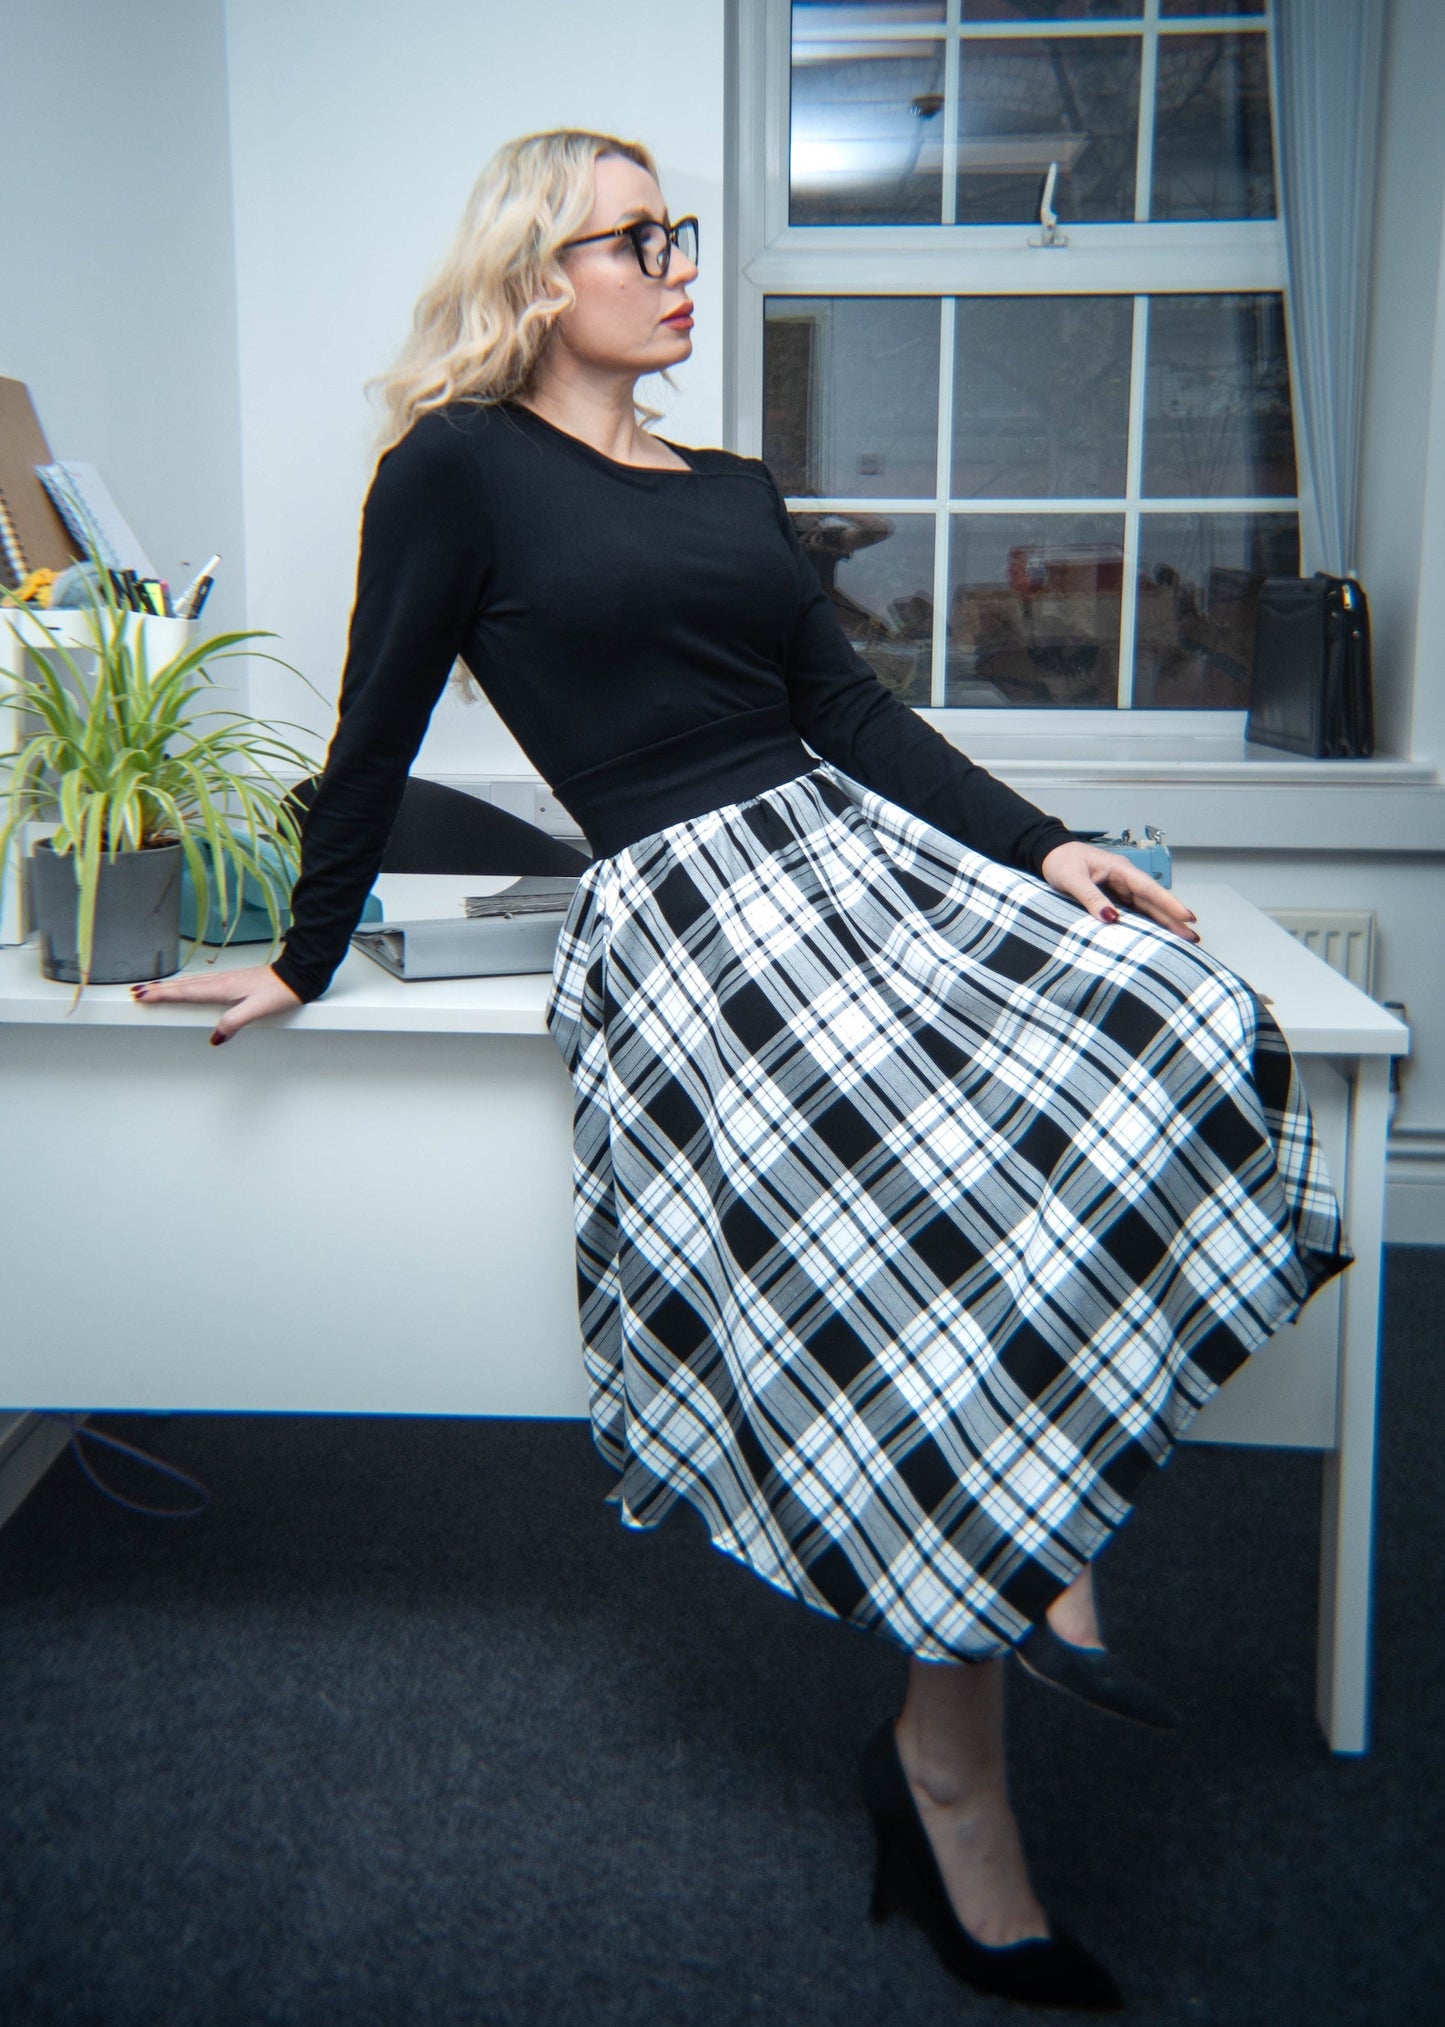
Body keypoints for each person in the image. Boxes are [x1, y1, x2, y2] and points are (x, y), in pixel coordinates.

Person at [133, 130, 1347, 2011]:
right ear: (544, 274)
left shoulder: (731, 481)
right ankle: (975, 1730)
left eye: (676, 232)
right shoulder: (456, 469)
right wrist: (303, 954)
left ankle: (993, 1642)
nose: (677, 263)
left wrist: (1045, 844)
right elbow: (371, 725)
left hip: (842, 859)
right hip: (685, 915)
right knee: (931, 1215)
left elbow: (844, 708)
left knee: (1163, 1019)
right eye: (639, 238)